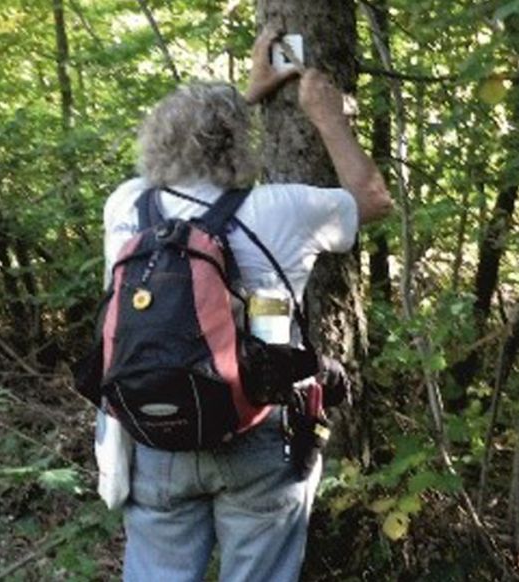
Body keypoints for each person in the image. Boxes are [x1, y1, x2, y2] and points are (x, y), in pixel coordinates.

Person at [100, 26, 392, 582]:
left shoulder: (128, 206)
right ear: (240, 142)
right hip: (258, 427)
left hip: (153, 430)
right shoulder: (281, 210)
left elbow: (179, 164)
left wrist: (246, 93)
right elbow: (372, 200)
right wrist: (328, 116)